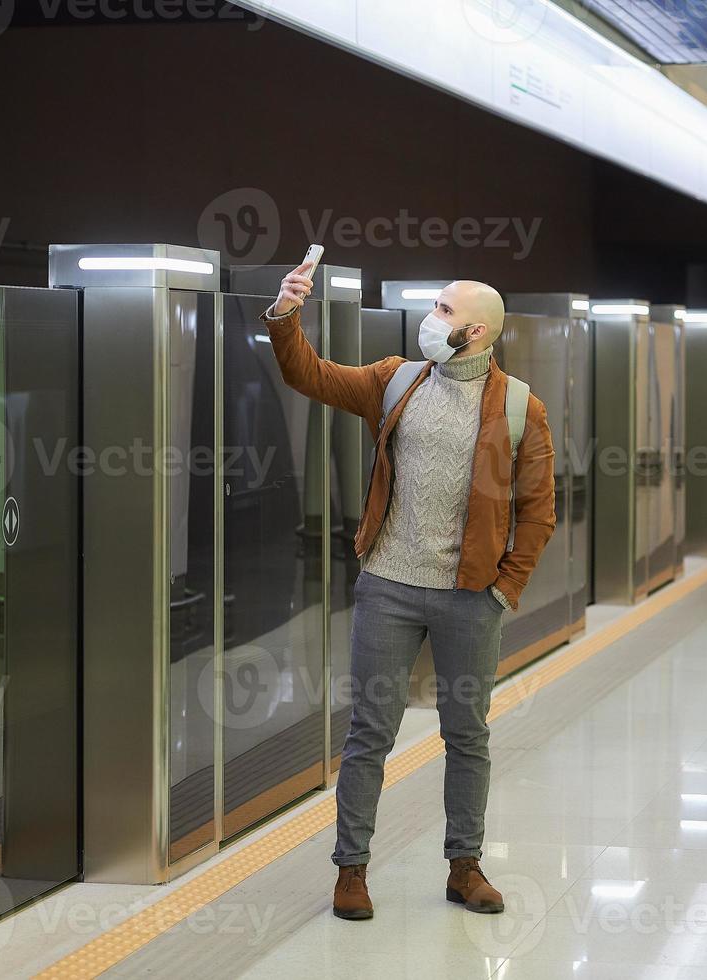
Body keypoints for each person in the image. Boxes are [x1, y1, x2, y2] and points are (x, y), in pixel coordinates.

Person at [262, 265, 556, 920]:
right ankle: (351, 871)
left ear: (475, 331)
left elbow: (538, 511)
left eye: (444, 309)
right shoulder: (397, 380)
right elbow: (308, 374)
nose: (432, 316)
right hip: (388, 587)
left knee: (467, 735)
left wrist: (502, 590)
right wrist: (286, 312)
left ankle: (465, 866)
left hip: (468, 596)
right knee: (370, 732)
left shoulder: (518, 408)